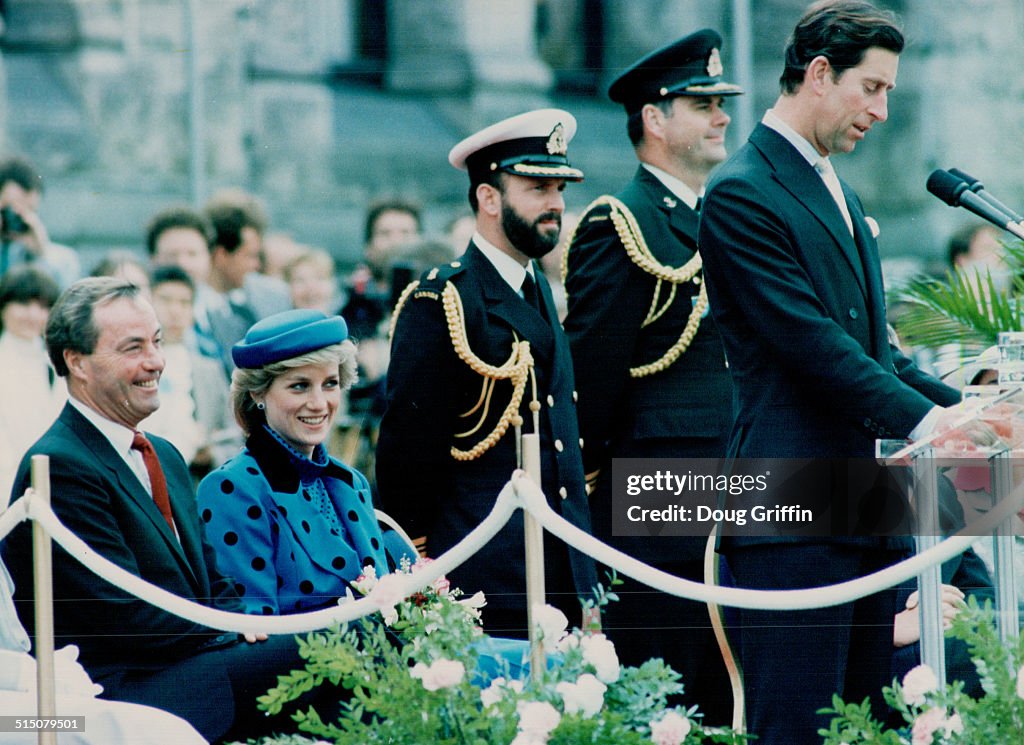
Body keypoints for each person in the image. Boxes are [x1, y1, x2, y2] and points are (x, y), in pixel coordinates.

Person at [696, 2, 964, 742]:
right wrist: (931, 422)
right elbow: (811, 345)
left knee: (864, 727)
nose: (881, 111)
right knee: (797, 727)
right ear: (819, 74)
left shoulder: (837, 189)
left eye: (889, 93)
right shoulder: (743, 190)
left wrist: (972, 408)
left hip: (866, 507)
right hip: (790, 508)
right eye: (871, 88)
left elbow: (876, 351)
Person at [1, 277, 325, 744]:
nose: (155, 362)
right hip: (117, 694)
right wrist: (237, 630)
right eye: (133, 348)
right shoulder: (57, 466)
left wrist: (246, 624)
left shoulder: (166, 455)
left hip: (192, 665)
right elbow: (126, 619)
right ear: (77, 363)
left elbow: (214, 582)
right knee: (327, 648)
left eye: (157, 341)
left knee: (345, 639)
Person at [561, 29, 741, 723]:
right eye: (703, 103)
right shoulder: (623, 221)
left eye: (720, 102)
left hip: (730, 476)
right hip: (661, 488)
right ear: (656, 120)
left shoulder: (712, 216)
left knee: (731, 691)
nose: (722, 115)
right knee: (673, 694)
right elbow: (593, 382)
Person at [377, 109, 597, 636]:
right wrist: (428, 572)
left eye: (560, 189)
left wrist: (586, 575)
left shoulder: (537, 286)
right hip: (484, 575)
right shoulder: (445, 300)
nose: (556, 205)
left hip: (558, 566)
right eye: (538, 187)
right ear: (489, 198)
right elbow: (407, 457)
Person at [197, 309, 415, 615]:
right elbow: (255, 628)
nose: (318, 403)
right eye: (299, 385)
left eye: (330, 384)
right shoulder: (232, 489)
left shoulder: (351, 482)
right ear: (259, 392)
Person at [144, 265, 241, 480]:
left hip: (193, 482)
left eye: (184, 303)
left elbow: (235, 432)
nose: (175, 310)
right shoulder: (131, 366)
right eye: (166, 300)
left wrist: (211, 454)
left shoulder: (208, 370)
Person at [0, 266, 64, 505]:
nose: (32, 314)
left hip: (51, 491)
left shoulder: (55, 364)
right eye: (23, 304)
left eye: (42, 307)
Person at [0, 155, 80, 289]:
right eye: (10, 209)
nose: (18, 217)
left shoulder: (63, 260)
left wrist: (41, 255)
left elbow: (62, 302)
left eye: (28, 210)